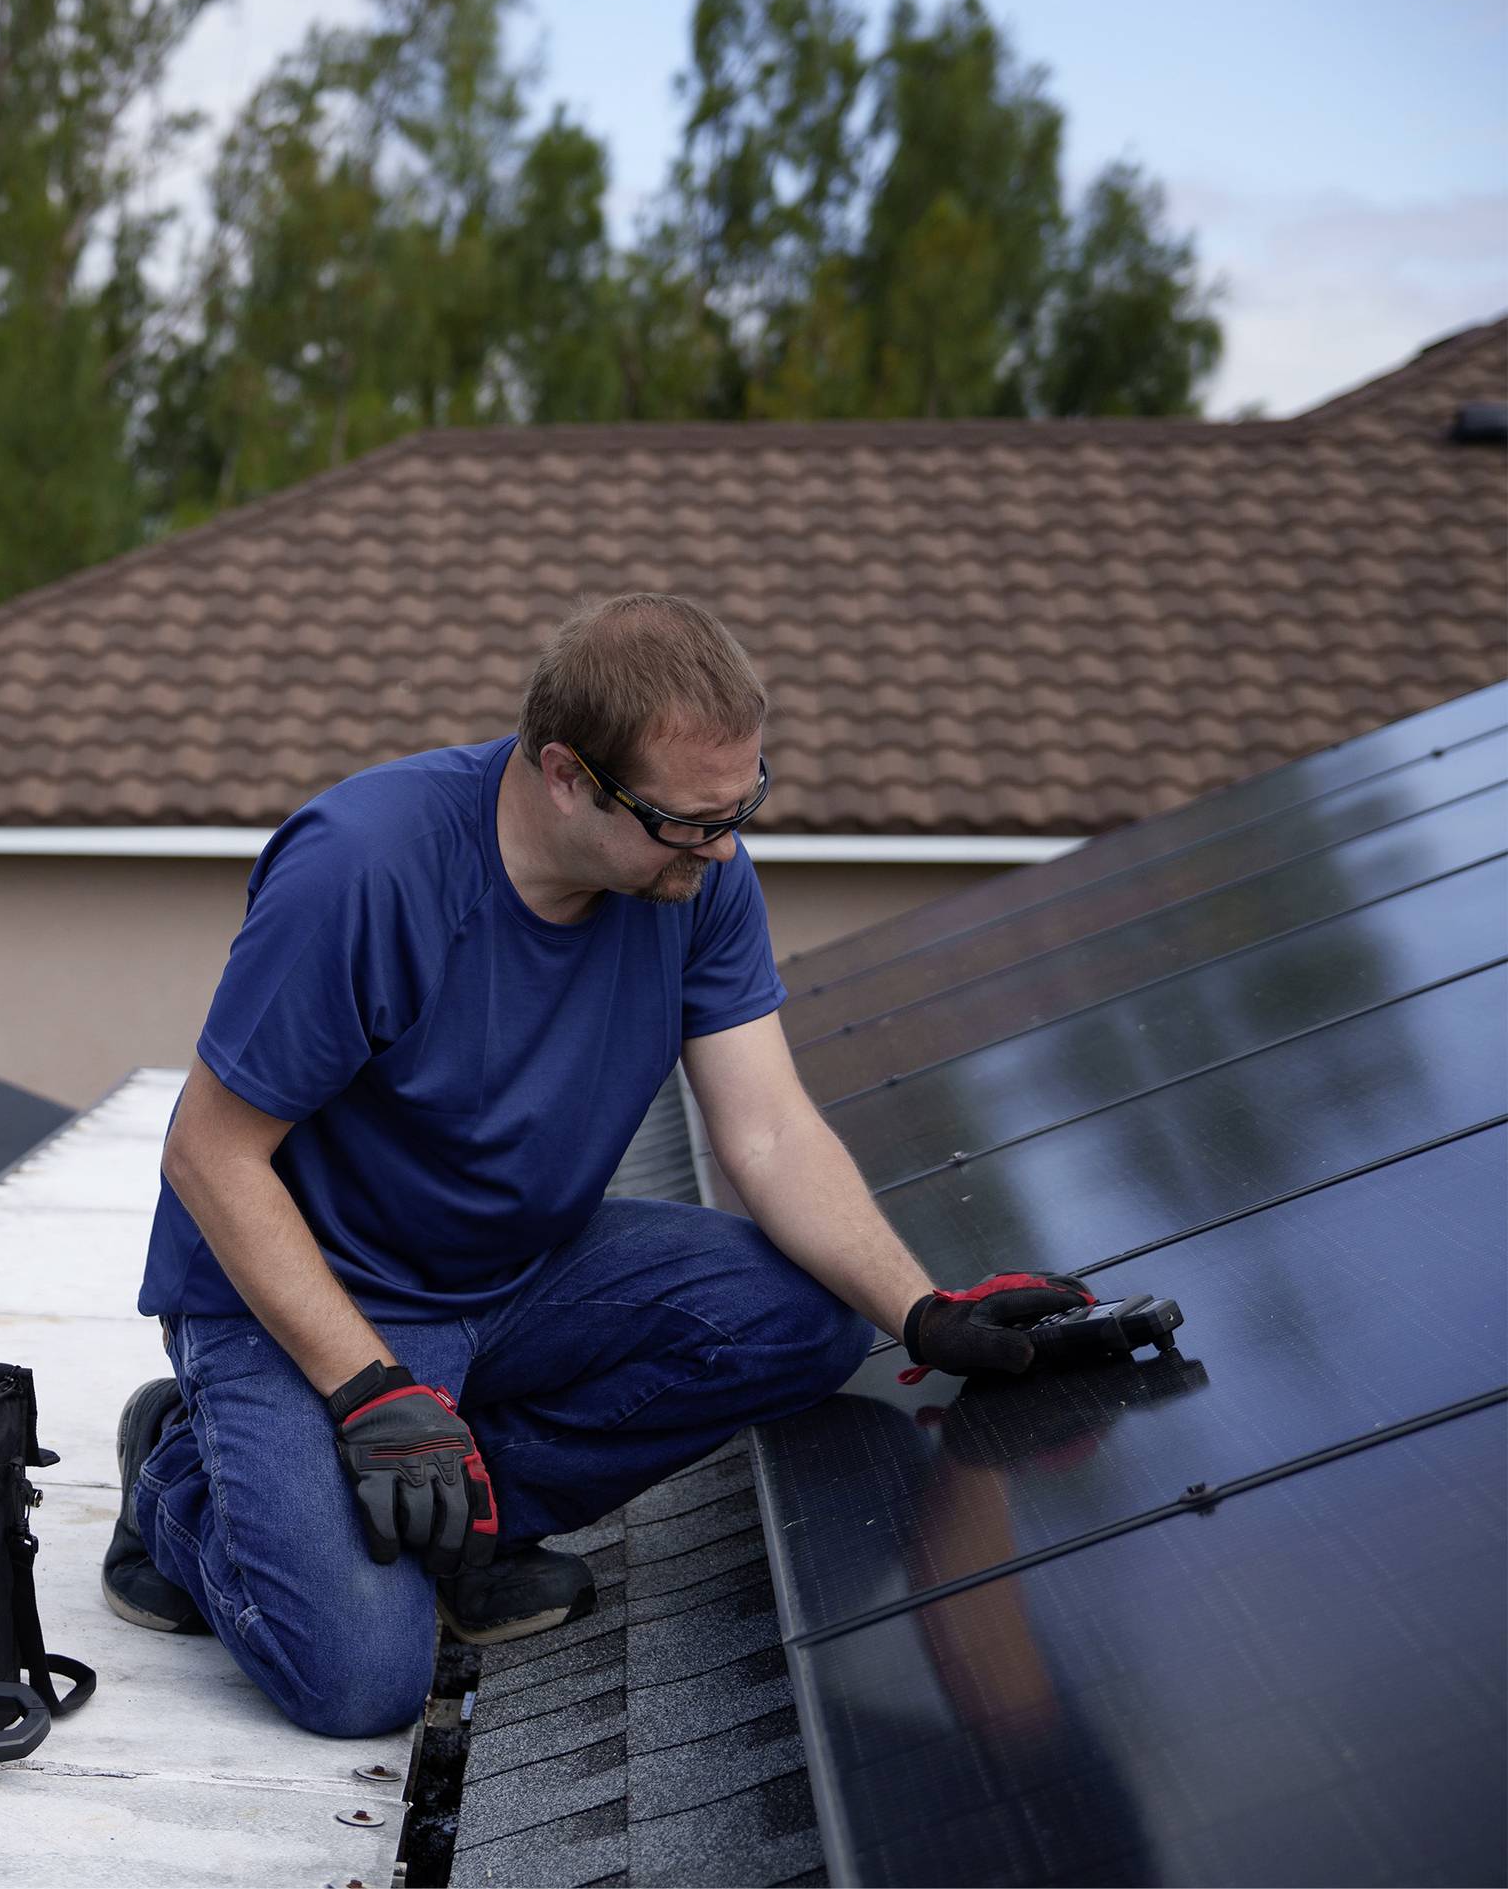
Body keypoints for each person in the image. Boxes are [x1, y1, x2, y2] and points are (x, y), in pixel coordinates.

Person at [103, 592, 1091, 1738]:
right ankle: (181, 1482)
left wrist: (922, 1313)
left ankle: (455, 1525)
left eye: (742, 806)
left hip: (515, 1274)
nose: (722, 848)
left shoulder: (701, 873)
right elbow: (209, 1154)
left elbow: (767, 1127)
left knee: (813, 1319)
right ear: (568, 775)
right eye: (688, 821)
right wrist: (374, 1395)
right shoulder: (367, 872)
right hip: (305, 1297)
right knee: (361, 1680)